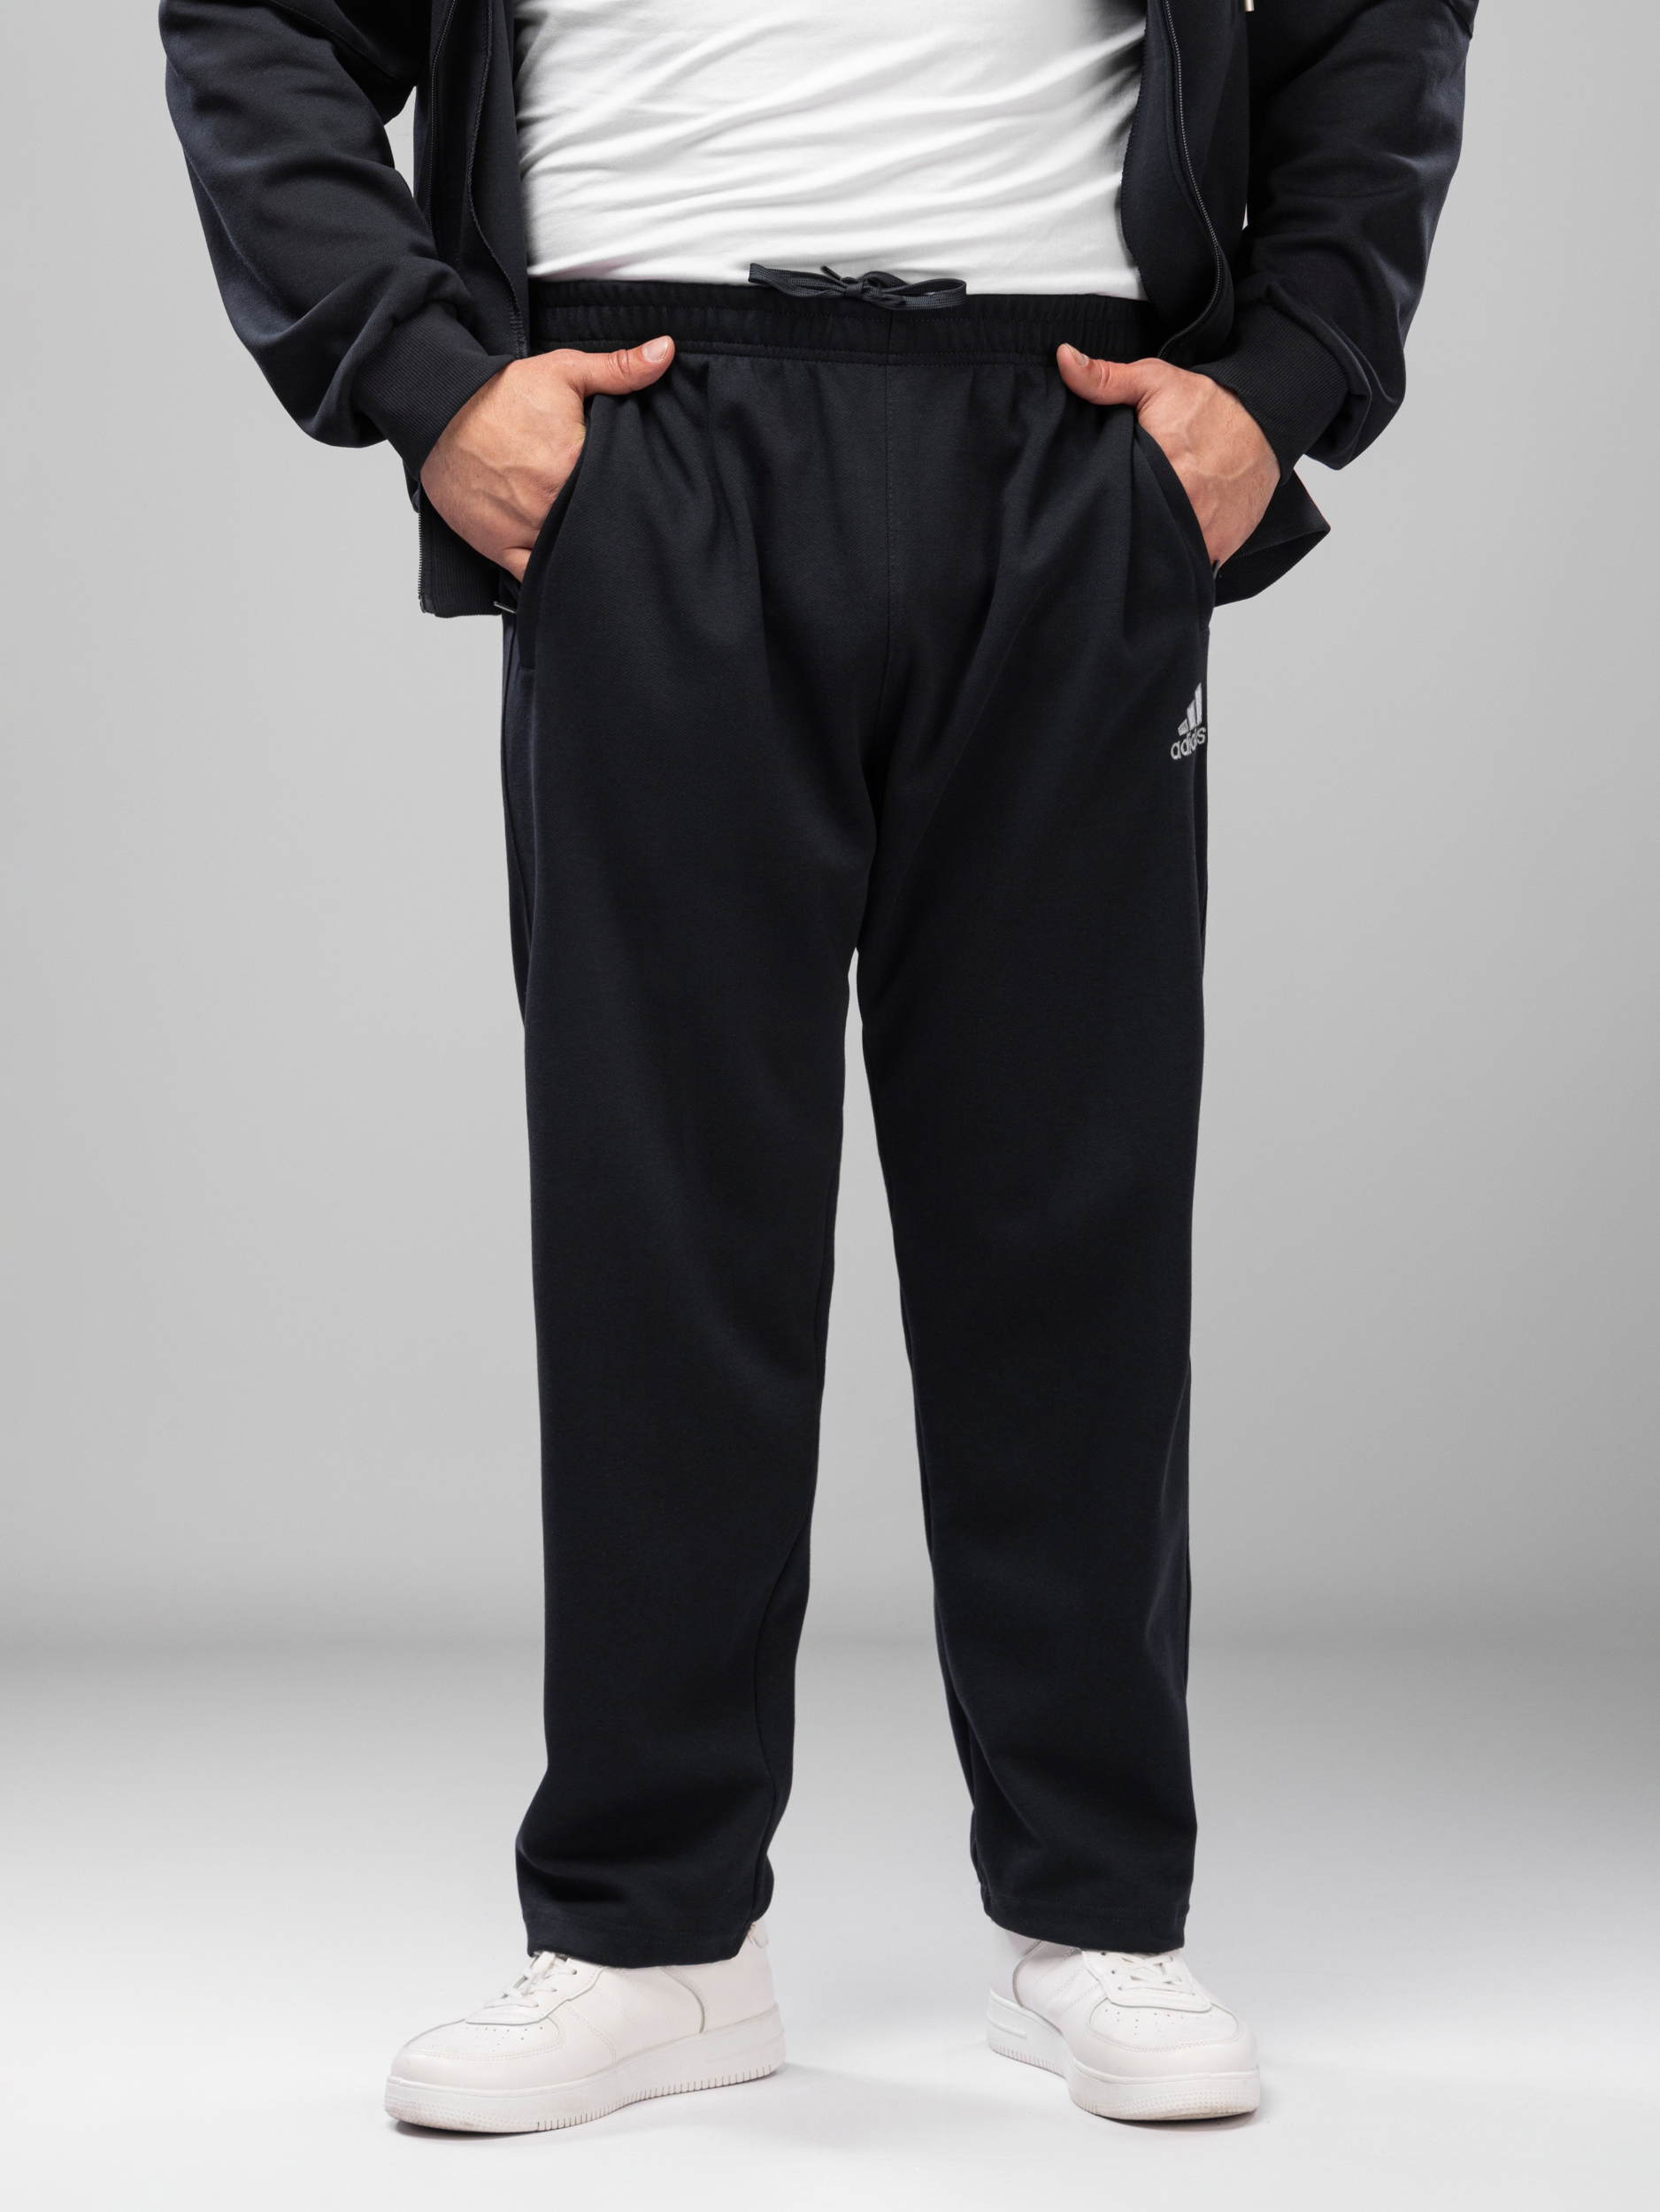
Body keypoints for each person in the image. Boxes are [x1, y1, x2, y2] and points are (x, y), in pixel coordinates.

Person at [159, 0, 1474, 2134]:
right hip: (647, 426)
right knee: (659, 1212)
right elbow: (256, 20)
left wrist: (1286, 378)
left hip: (1067, 432)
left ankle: (1095, 1911)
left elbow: (1380, 24)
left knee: (1067, 1203)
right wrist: (425, 378)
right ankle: (648, 1934)